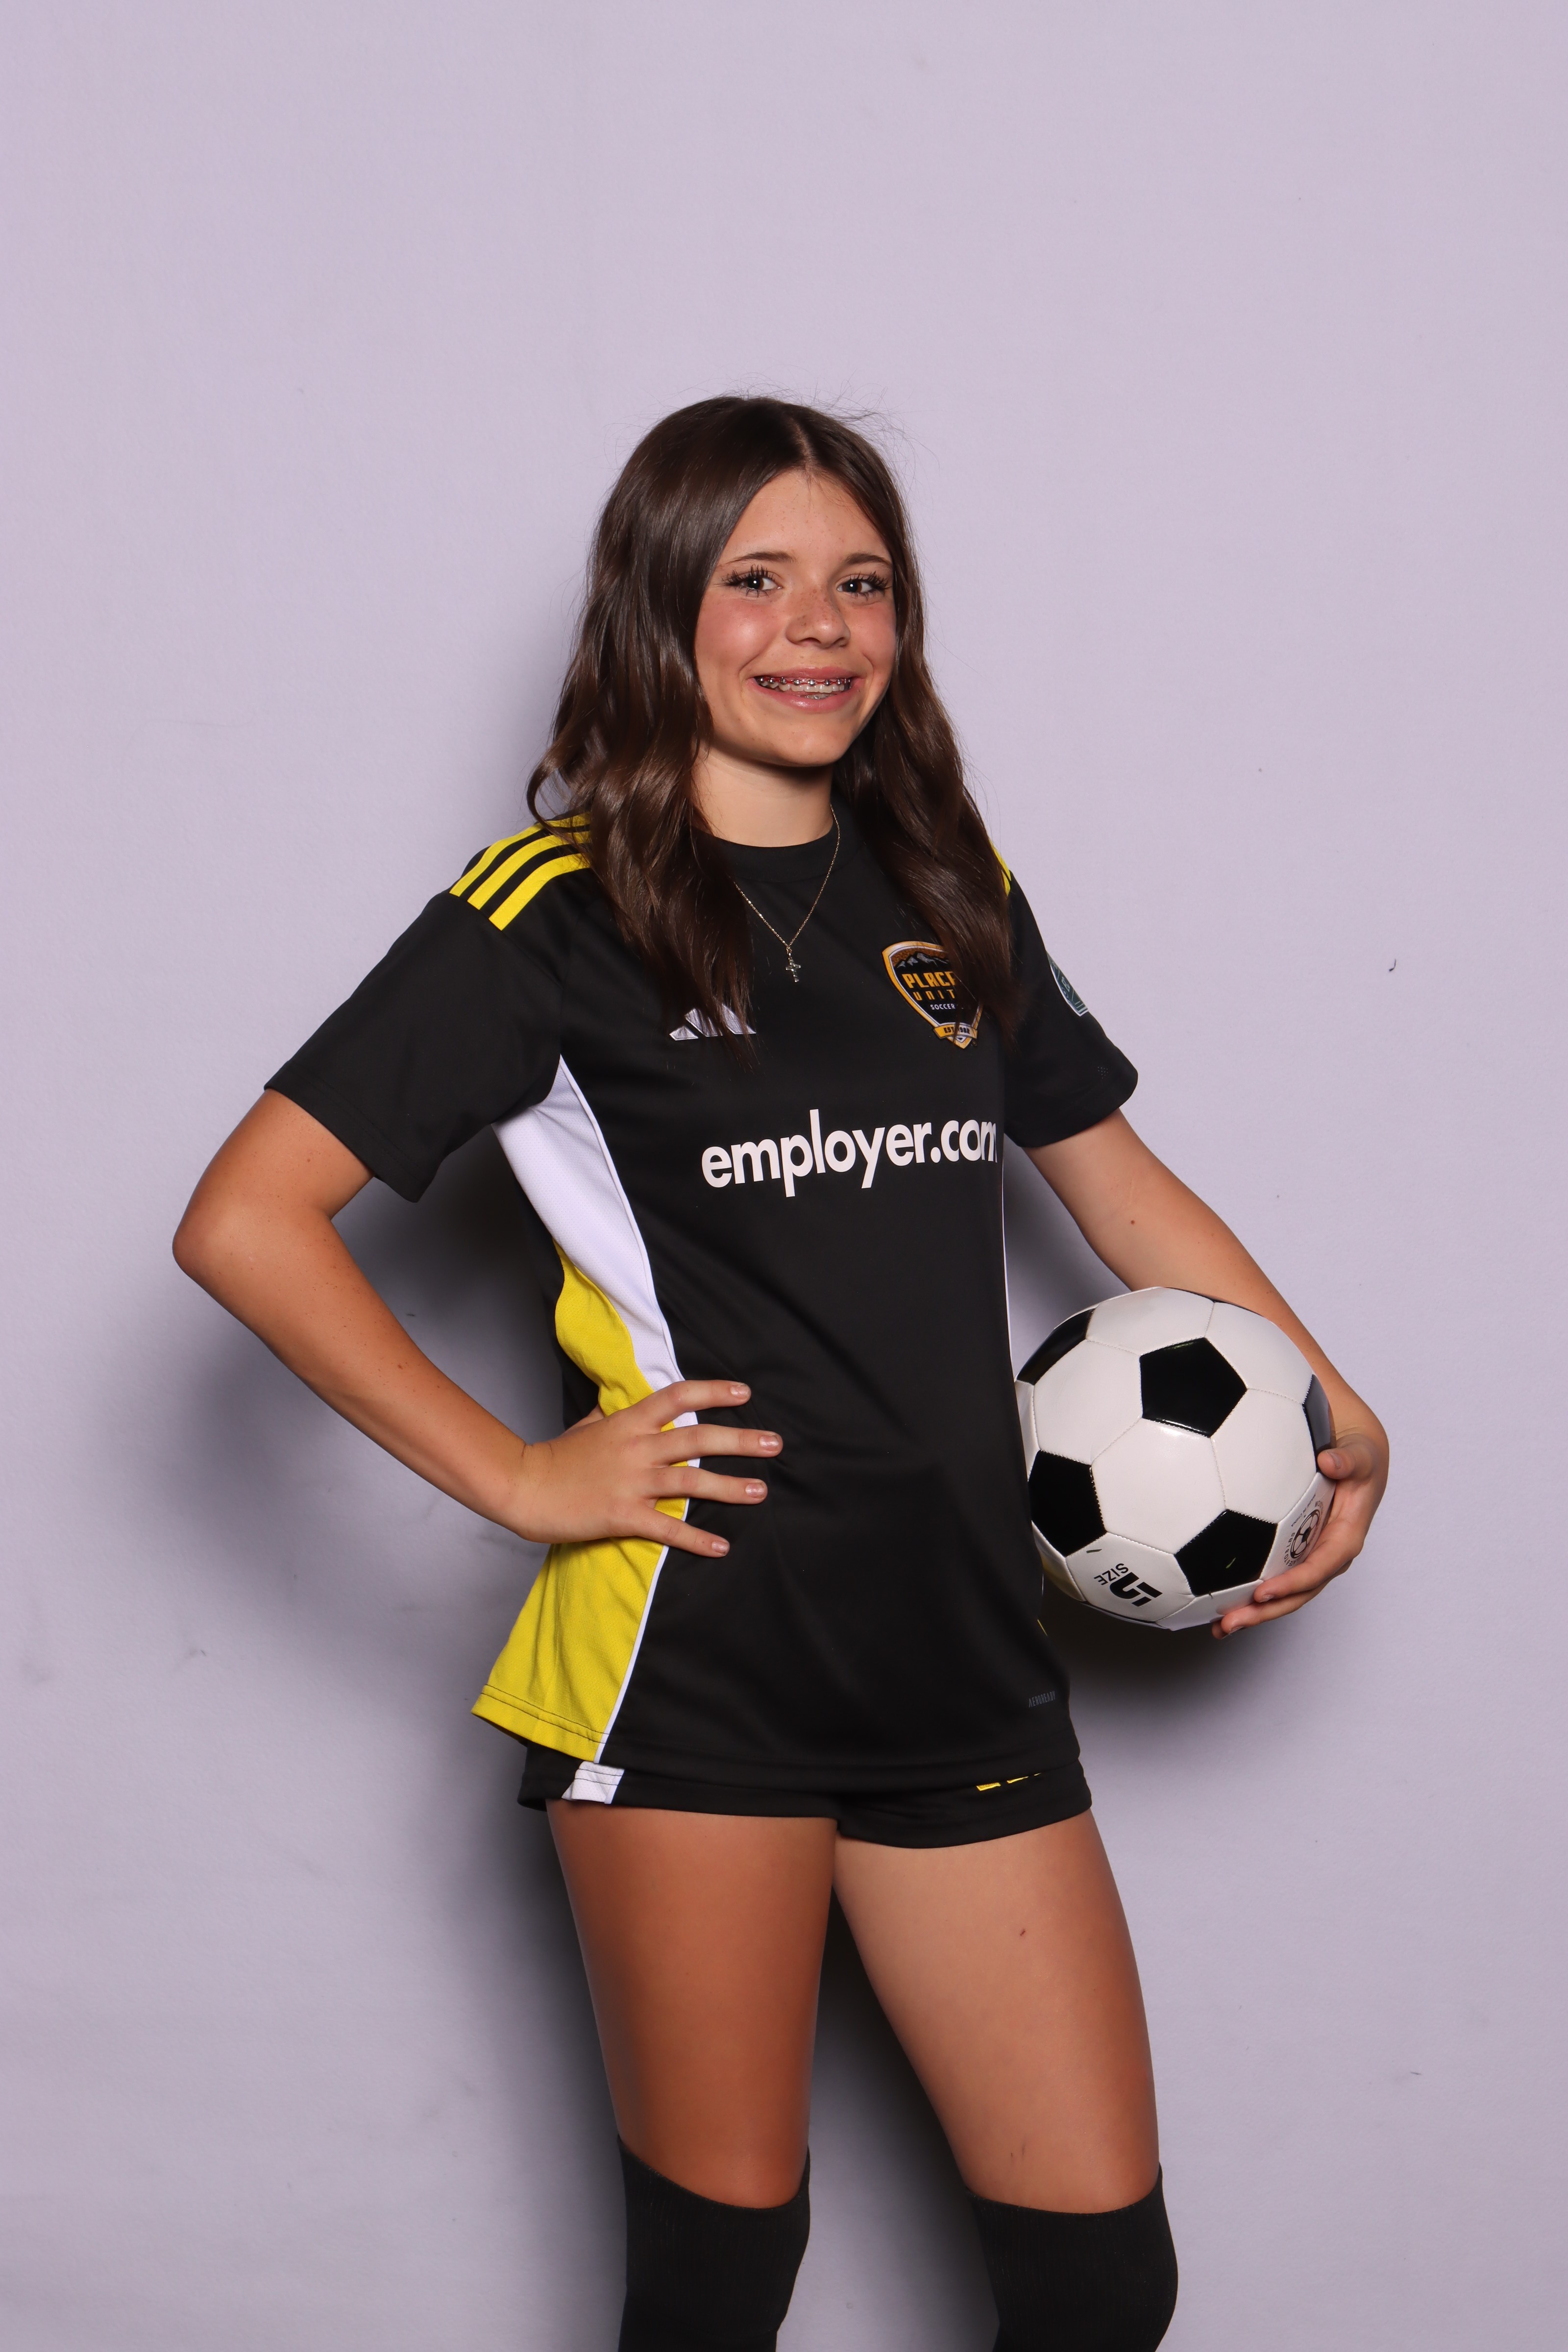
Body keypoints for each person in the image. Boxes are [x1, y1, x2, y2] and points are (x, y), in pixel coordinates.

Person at [174, 396, 1388, 2352]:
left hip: (959, 1645)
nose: (817, 625)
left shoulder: (949, 885)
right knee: (720, 2282)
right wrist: (520, 1477)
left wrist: (1328, 1406)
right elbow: (245, 1220)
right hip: (694, 1661)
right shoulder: (550, 911)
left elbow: (1113, 1180)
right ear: (660, 607)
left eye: (861, 583)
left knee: (1098, 2280)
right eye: (756, 578)